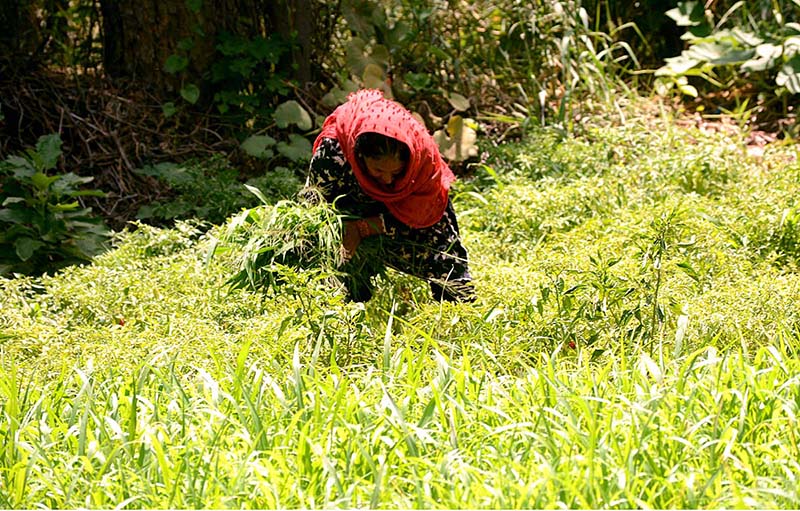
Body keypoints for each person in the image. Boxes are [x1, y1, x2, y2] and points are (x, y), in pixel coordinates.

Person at [300, 89, 475, 303]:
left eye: (396, 172)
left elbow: (425, 214)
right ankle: (350, 304)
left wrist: (365, 228)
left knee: (447, 264)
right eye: (378, 171)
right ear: (360, 156)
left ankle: (455, 313)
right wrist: (342, 234)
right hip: (351, 208)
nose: (388, 181)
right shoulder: (333, 153)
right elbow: (314, 210)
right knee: (327, 254)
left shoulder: (422, 158)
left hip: (407, 213)